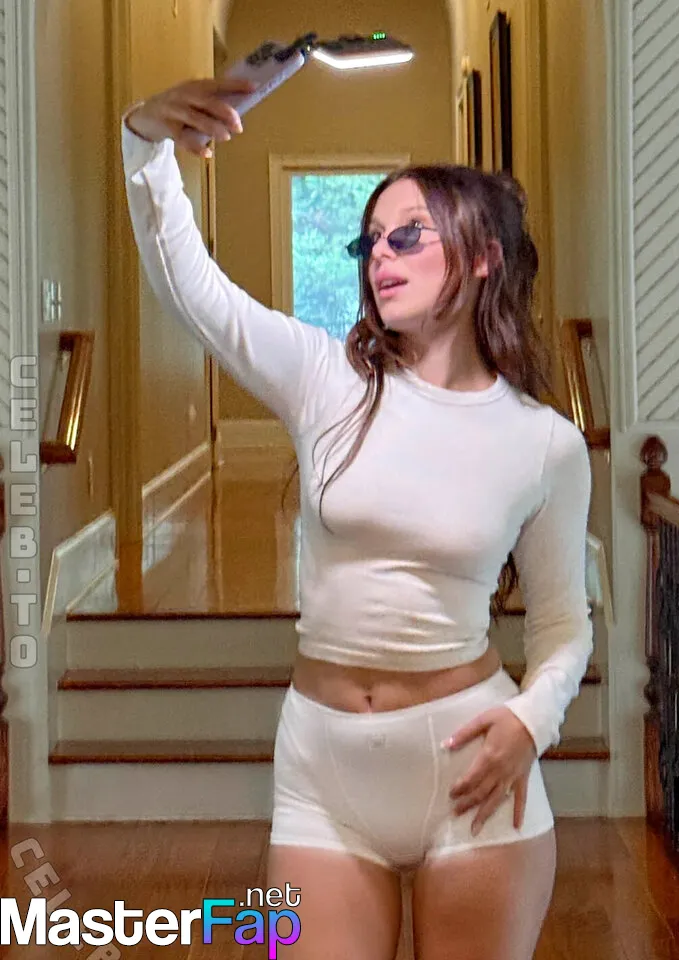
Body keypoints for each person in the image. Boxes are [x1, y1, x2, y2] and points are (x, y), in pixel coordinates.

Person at [122, 76, 593, 960]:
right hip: (320, 769)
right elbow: (194, 292)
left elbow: (564, 624)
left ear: (482, 256)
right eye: (369, 239)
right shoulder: (326, 381)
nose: (380, 255)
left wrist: (533, 722)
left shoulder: (545, 445)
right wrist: (145, 144)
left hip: (470, 763)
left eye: (407, 234)